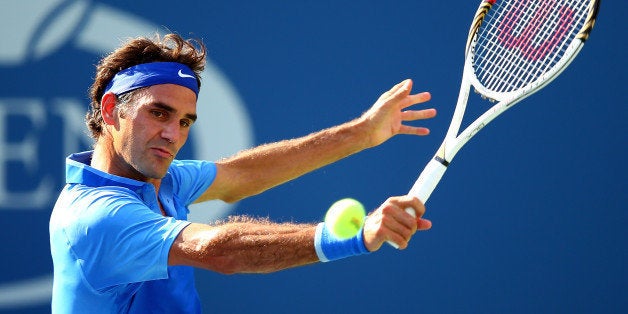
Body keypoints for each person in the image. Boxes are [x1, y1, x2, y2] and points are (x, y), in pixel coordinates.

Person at [49, 33, 437, 313]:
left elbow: (241, 176)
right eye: (159, 113)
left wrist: (362, 133)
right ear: (112, 109)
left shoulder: (157, 179)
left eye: (186, 121)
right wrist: (355, 235)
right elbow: (221, 250)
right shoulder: (97, 216)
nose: (173, 134)